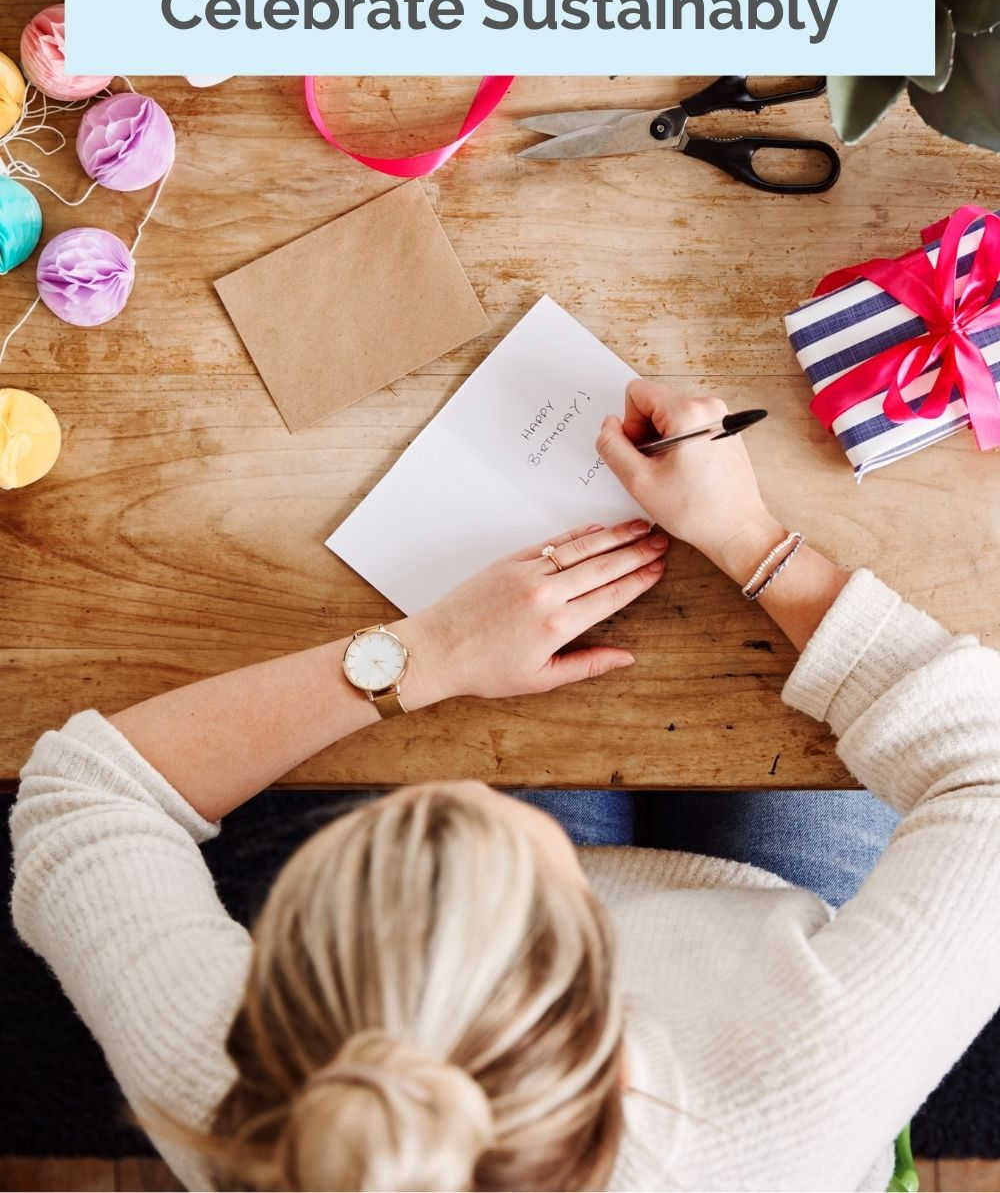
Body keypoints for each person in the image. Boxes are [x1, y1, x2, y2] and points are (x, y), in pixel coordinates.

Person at [10, 383, 1000, 1192]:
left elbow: (82, 797)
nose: (462, 792)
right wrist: (750, 538)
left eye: (386, 857)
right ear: (600, 995)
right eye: (493, 861)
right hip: (758, 964)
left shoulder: (254, 1104)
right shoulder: (793, 1090)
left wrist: (421, 657)